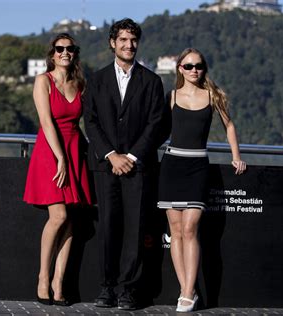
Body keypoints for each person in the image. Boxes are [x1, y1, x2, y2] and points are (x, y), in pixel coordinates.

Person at [84, 18, 168, 310]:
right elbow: (90, 122)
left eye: (133, 40)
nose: (128, 45)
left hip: (138, 167)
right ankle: (107, 287)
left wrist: (131, 157)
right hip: (105, 166)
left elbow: (157, 124)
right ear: (112, 43)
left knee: (135, 230)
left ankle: (128, 290)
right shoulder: (96, 80)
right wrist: (111, 155)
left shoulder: (152, 81)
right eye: (123, 40)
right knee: (107, 227)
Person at [157, 48, 247, 312]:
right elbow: (157, 129)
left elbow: (229, 125)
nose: (194, 70)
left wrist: (236, 156)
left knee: (190, 229)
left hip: (198, 166)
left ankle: (186, 292)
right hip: (172, 165)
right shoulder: (170, 97)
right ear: (179, 69)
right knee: (175, 232)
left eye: (199, 66)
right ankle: (189, 290)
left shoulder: (213, 96)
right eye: (188, 66)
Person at [23, 33, 93, 306]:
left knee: (71, 220)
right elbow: (46, 121)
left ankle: (58, 283)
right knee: (59, 215)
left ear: (75, 53)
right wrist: (60, 158)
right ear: (52, 54)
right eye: (60, 48)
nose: (66, 52)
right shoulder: (43, 81)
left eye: (71, 48)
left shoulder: (80, 83)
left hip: (75, 150)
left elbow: (83, 124)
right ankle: (43, 276)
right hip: (51, 152)